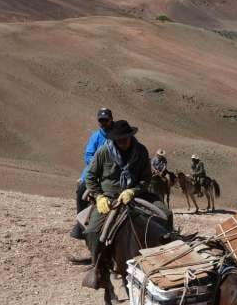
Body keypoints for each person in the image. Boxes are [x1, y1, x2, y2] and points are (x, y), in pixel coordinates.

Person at [83, 120, 173, 266]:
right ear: (114, 139)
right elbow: (90, 177)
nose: (123, 142)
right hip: (110, 197)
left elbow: (145, 178)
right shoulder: (104, 152)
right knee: (92, 232)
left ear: (131, 136)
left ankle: (170, 250)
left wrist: (133, 190)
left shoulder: (141, 151)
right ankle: (99, 268)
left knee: (167, 214)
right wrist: (99, 197)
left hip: (137, 194)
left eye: (125, 138)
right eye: (119, 139)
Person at [71, 107, 114, 240]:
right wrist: (98, 163)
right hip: (95, 169)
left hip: (115, 169)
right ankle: (80, 225)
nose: (103, 123)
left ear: (111, 119)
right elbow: (88, 155)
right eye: (100, 120)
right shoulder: (96, 136)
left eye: (105, 120)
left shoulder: (118, 133)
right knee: (81, 189)